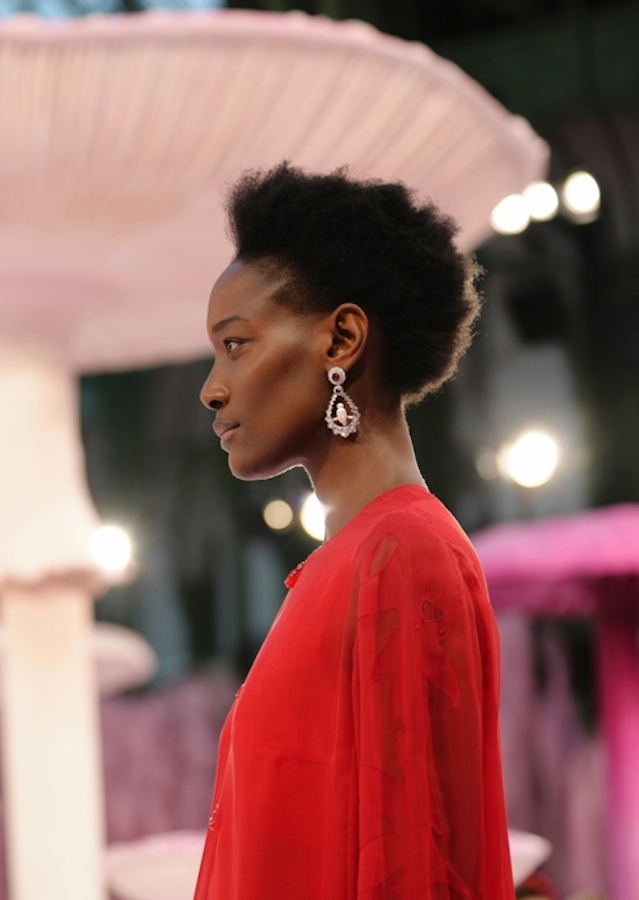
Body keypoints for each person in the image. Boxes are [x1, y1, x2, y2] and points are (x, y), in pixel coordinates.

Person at [193, 164, 513, 899]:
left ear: (341, 339)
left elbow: (415, 869)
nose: (211, 388)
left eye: (235, 344)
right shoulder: (355, 560)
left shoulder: (399, 555)